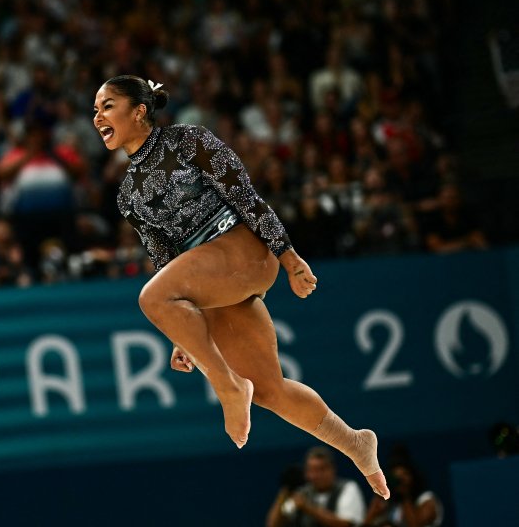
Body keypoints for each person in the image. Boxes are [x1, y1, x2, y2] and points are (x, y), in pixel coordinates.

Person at [92, 75, 389, 499]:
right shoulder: (127, 195)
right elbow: (166, 259)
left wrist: (288, 257)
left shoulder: (189, 141)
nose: (97, 116)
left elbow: (247, 198)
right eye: (96, 109)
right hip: (208, 276)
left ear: (139, 111)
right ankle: (356, 443)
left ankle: (227, 386)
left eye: (106, 106)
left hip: (245, 249)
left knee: (150, 297)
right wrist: (182, 332)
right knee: (270, 390)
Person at [266, 446, 367, 527]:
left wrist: (308, 507)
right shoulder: (302, 493)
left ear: (332, 469)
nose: (316, 475)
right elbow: (273, 524)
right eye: (312, 470)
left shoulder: (348, 488)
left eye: (321, 469)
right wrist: (285, 492)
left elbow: (346, 524)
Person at [363, 459, 443, 527]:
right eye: (396, 478)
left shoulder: (427, 499)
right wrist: (374, 511)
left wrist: (405, 496)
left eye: (404, 476)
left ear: (413, 477)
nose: (400, 482)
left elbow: (416, 525)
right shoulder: (391, 504)